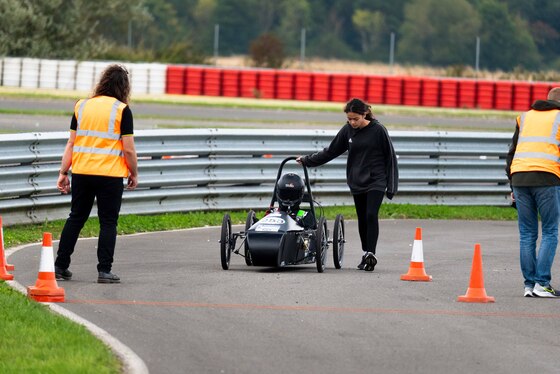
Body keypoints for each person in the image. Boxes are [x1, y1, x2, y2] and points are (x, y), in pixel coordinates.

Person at [54, 64, 138, 284]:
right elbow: (128, 148)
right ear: (124, 87)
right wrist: (134, 172)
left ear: (103, 82)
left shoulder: (81, 106)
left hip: (81, 172)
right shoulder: (122, 110)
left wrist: (63, 172)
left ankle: (60, 267)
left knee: (76, 218)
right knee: (108, 222)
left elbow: (71, 143)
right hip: (110, 176)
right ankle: (104, 271)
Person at [296, 98, 398, 271]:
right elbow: (331, 151)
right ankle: (366, 252)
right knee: (362, 218)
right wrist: (307, 160)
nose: (352, 122)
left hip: (376, 179)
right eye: (349, 119)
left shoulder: (378, 130)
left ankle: (371, 253)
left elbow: (390, 157)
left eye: (355, 119)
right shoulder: (348, 130)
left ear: (364, 114)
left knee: (371, 215)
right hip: (357, 180)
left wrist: (391, 185)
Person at [506, 87, 560, 298]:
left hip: (519, 178)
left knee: (527, 234)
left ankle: (529, 285)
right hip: (546, 178)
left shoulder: (525, 117)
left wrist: (512, 185)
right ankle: (542, 283)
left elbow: (511, 154)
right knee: (550, 231)